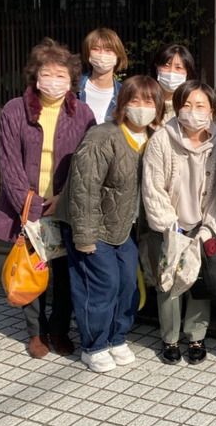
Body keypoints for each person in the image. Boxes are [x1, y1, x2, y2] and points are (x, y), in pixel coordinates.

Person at [0, 38, 95, 358]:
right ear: (35, 76)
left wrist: (61, 198)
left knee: (64, 274)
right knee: (31, 267)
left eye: (61, 75)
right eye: (47, 74)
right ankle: (36, 332)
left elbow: (87, 163)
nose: (54, 81)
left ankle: (60, 328)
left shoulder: (83, 113)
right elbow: (9, 163)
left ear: (72, 80)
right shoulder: (14, 110)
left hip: (64, 207)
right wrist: (31, 205)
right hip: (26, 207)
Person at [56, 75, 164, 372]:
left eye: (148, 101)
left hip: (122, 227)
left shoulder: (154, 138)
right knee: (101, 284)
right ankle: (94, 345)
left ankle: (116, 337)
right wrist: (84, 235)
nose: (141, 107)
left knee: (128, 282)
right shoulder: (103, 136)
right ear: (122, 103)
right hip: (91, 224)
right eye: (134, 100)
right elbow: (84, 187)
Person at [142, 81, 216, 365]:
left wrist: (207, 228)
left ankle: (197, 335)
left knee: (199, 280)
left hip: (202, 224)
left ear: (211, 111)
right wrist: (170, 226)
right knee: (169, 283)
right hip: (170, 226)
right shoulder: (161, 140)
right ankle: (170, 338)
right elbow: (153, 188)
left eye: (200, 106)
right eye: (186, 105)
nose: (193, 112)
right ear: (176, 108)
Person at [78, 28, 128, 124]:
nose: (102, 54)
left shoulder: (124, 95)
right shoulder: (72, 88)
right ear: (88, 54)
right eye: (95, 49)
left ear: (117, 55)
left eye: (108, 50)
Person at [152, 43, 197, 122]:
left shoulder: (193, 103)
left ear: (187, 72)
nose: (171, 72)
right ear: (156, 68)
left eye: (178, 68)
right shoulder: (147, 100)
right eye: (166, 66)